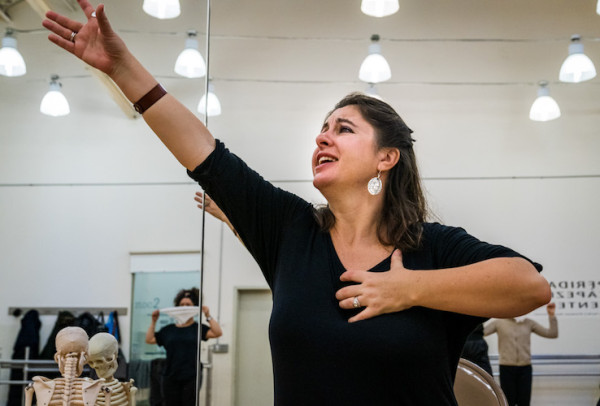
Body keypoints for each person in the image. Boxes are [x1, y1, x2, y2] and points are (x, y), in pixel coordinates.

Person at [43, 3, 551, 403]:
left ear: (386, 158)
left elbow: (528, 285)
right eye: (321, 130)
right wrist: (122, 68)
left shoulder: (432, 247)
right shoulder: (291, 231)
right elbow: (202, 152)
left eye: (343, 129)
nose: (322, 139)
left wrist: (408, 289)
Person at [145, 288, 222, 406]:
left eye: (188, 305)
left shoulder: (197, 328)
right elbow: (149, 340)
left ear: (194, 307)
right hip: (170, 375)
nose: (184, 307)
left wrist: (208, 315)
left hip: (192, 376)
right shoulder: (169, 330)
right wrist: (153, 321)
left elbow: (217, 332)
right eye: (182, 304)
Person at [484, 303, 558, 406]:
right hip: (507, 368)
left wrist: (551, 316)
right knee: (508, 401)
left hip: (525, 369)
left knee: (524, 402)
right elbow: (480, 333)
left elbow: (552, 333)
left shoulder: (529, 323)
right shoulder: (499, 322)